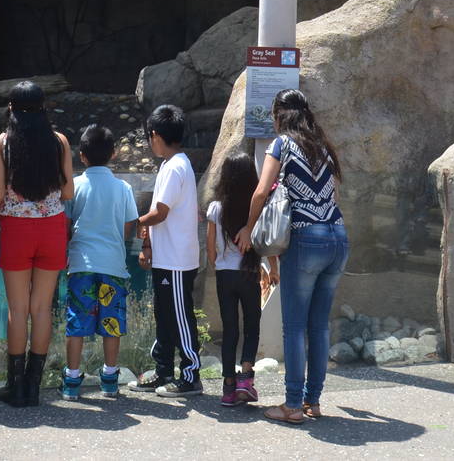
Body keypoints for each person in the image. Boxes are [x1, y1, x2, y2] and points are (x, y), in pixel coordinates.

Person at [239, 88, 348, 425]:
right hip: (338, 238)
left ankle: (291, 405)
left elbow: (261, 191)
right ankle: (312, 401)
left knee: (295, 327)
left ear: (279, 114)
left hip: (306, 240)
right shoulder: (324, 148)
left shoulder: (282, 144)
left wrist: (248, 228)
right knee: (318, 326)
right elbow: (333, 194)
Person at [0, 80, 74, 407]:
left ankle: (16, 385)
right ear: (43, 107)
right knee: (41, 309)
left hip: (17, 230)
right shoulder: (59, 142)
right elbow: (68, 192)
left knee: (18, 309)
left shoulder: (1, 144)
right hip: (51, 229)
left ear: (11, 108)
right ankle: (35, 388)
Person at [60, 124, 139, 401]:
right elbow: (129, 225)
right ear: (113, 154)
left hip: (81, 262)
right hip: (112, 265)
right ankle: (109, 380)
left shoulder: (75, 186)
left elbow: (66, 225)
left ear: (82, 156)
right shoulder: (123, 187)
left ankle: (71, 381)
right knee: (111, 323)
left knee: (77, 322)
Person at [131, 104, 202, 397]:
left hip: (177, 260)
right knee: (165, 314)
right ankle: (162, 371)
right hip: (166, 256)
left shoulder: (175, 167)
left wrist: (133, 224)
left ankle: (190, 374)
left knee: (180, 316)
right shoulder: (170, 164)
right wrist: (147, 243)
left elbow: (159, 213)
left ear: (156, 135)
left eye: (150, 137)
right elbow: (158, 214)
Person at [207, 148, 278, 407]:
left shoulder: (216, 208)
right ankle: (246, 380)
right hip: (249, 273)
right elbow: (265, 241)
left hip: (225, 276)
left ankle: (228, 387)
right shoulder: (255, 208)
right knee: (252, 325)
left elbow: (211, 251)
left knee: (230, 330)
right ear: (251, 177)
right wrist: (274, 268)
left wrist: (219, 263)